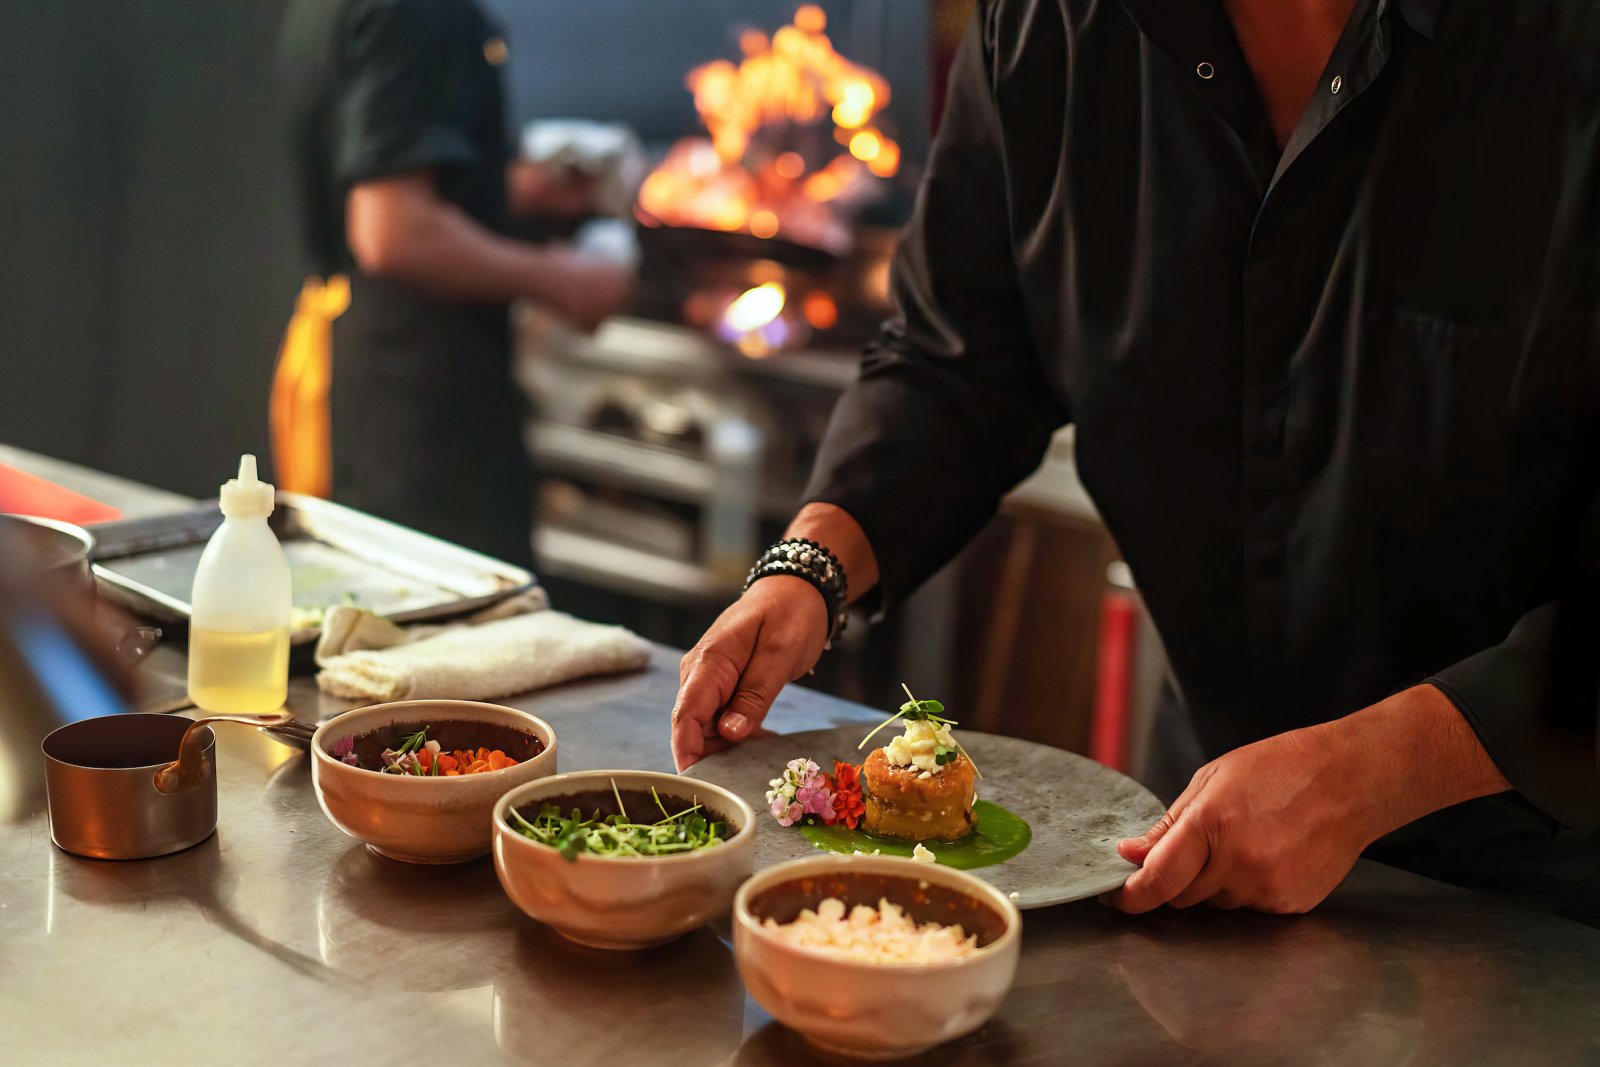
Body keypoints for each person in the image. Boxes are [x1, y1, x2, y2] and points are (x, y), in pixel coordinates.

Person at [671, 0, 1600, 925]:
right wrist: (811, 568)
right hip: (1210, 828)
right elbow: (957, 359)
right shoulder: (1054, 27)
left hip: (1544, 887)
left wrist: (1375, 769)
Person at [274, 0, 631, 565]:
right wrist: (562, 279)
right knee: (446, 631)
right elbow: (394, 232)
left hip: (368, 371)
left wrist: (519, 190)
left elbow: (383, 172)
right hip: (422, 411)